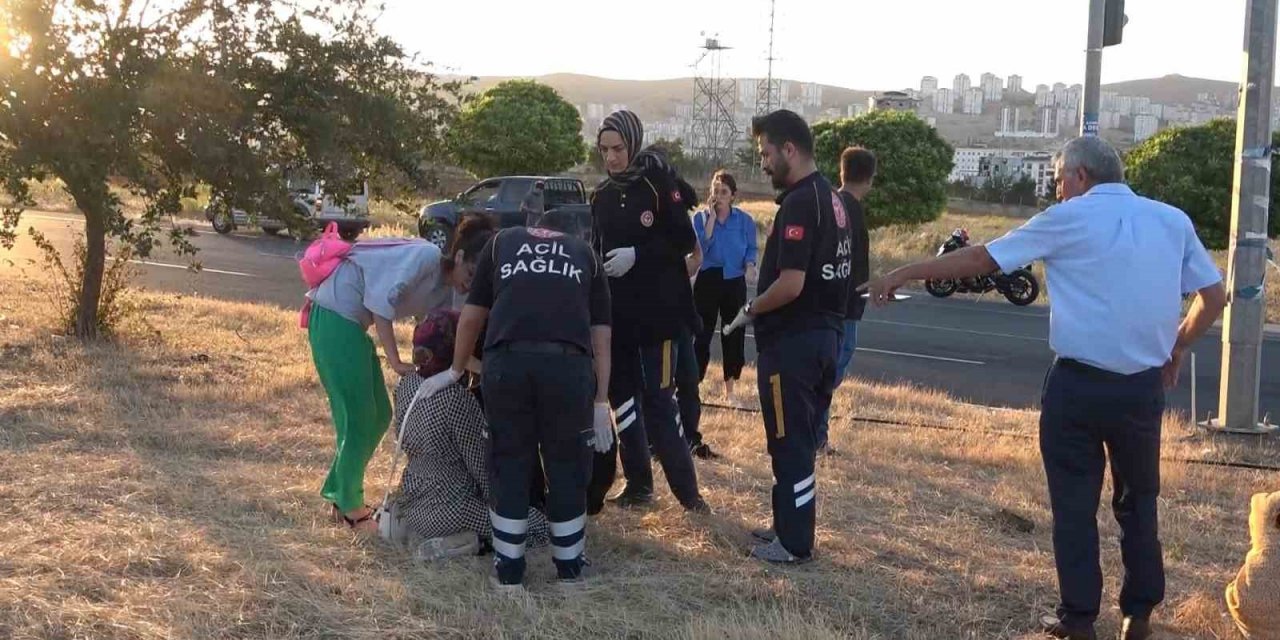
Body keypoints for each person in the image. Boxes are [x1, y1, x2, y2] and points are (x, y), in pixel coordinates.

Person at [862, 136, 1227, 640]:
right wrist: (1179, 346)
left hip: (1077, 387)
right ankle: (1138, 614)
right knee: (1139, 502)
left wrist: (906, 271)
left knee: (1074, 505)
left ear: (1078, 176)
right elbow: (1214, 295)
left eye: (1057, 181)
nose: (1057, 191)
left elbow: (982, 261)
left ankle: (1078, 619)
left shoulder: (1067, 217)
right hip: (1142, 390)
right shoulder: (1172, 220)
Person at [431, 206, 615, 590]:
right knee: (567, 465)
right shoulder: (586, 256)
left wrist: (455, 368)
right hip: (568, 368)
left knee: (509, 462)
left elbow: (471, 317)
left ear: (535, 228)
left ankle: (508, 573)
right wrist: (601, 401)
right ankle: (570, 571)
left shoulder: (502, 244)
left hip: (506, 365)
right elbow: (602, 338)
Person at [306, 213, 496, 533]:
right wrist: (395, 361)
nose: (470, 283)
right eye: (471, 272)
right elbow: (381, 304)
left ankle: (340, 494)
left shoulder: (443, 292)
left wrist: (472, 367)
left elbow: (433, 334)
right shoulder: (426, 256)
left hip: (349, 323)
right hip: (334, 316)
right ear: (459, 256)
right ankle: (350, 506)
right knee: (360, 419)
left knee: (379, 415)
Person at [727, 109, 851, 564]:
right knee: (794, 438)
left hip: (794, 344)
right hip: (823, 337)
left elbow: (791, 283)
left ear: (789, 150)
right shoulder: (833, 200)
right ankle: (787, 524)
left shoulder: (801, 202)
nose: (763, 164)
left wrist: (750, 309)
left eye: (766, 153)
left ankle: (795, 542)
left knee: (789, 441)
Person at [586, 109, 709, 513]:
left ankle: (689, 496)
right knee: (623, 406)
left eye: (618, 148)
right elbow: (595, 249)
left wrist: (639, 254)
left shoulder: (658, 185)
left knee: (660, 407)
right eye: (604, 150)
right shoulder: (602, 196)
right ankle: (639, 486)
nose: (612, 158)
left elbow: (684, 240)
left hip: (659, 318)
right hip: (618, 320)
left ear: (633, 144)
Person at [379, 309, 549, 561]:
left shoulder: (406, 385)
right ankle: (466, 544)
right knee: (539, 528)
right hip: (451, 508)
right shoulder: (456, 400)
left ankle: (450, 538)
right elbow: (481, 467)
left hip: (411, 502)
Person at [816, 147, 875, 455]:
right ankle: (817, 433)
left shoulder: (834, 203)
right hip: (845, 304)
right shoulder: (848, 208)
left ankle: (817, 432)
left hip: (839, 300)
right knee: (833, 368)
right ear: (869, 178)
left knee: (831, 367)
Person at [690, 170, 757, 404]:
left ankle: (730, 391)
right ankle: (693, 386)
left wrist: (750, 266)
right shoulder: (699, 218)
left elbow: (751, 248)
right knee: (701, 332)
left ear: (733, 196)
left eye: (724, 192)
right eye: (715, 191)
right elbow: (701, 247)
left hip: (734, 280)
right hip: (709, 278)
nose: (718, 196)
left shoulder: (745, 220)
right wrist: (710, 218)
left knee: (733, 334)